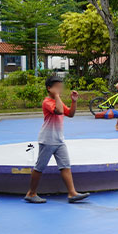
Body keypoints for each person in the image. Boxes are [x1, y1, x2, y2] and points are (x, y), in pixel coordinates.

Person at [24, 76, 90, 204]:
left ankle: (72, 193)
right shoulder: (47, 102)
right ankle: (31, 193)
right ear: (49, 88)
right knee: (39, 167)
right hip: (48, 140)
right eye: (57, 87)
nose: (60, 90)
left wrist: (74, 101)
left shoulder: (57, 101)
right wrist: (57, 96)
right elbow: (59, 111)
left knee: (65, 166)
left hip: (59, 140)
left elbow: (70, 114)